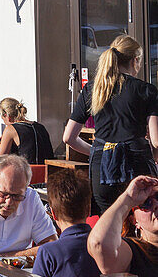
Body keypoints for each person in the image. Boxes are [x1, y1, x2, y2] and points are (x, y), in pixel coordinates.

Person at [63, 35, 158, 213]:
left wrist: (95, 150)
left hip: (103, 166)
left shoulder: (92, 90)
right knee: (145, 222)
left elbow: (68, 137)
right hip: (137, 164)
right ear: (135, 60)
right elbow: (157, 140)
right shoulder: (146, 90)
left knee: (109, 223)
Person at [88, 174, 158, 277]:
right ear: (134, 221)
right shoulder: (134, 251)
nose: (155, 205)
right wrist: (128, 198)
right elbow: (99, 244)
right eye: (145, 203)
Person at [0, 98, 54, 165]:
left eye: (2, 118)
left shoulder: (10, 129)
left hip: (26, 173)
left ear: (7, 116)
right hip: (46, 172)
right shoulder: (40, 127)